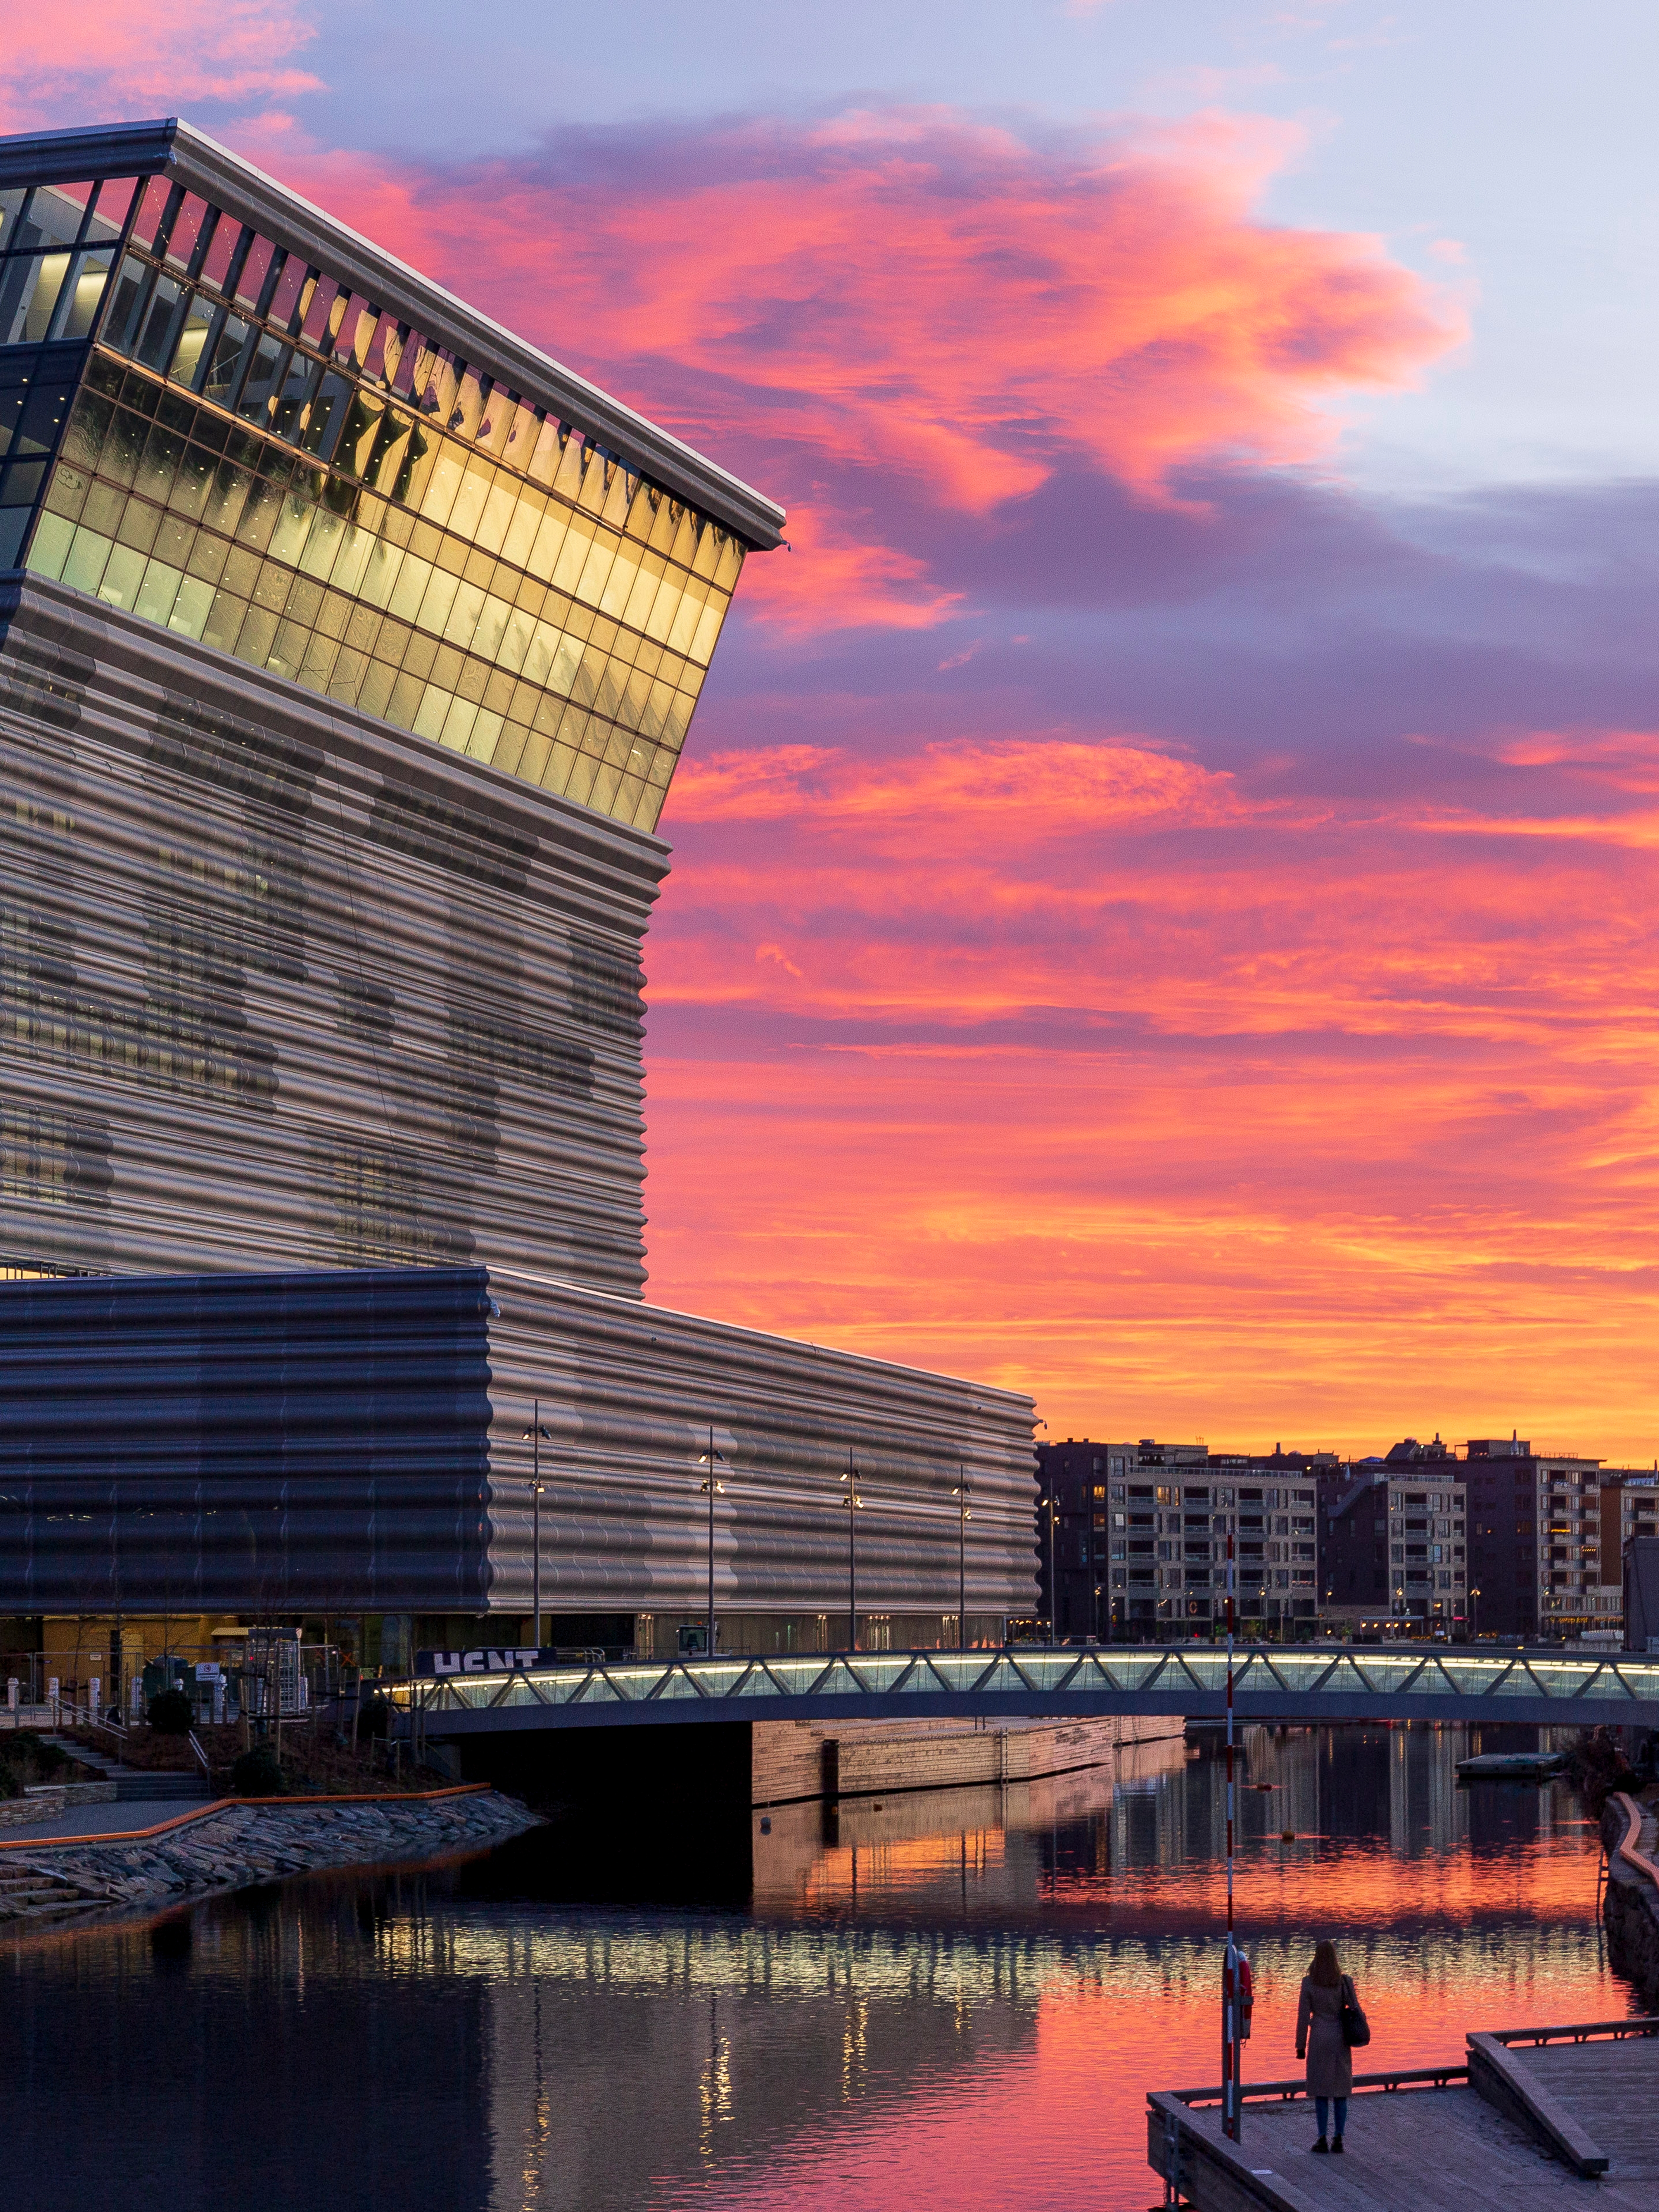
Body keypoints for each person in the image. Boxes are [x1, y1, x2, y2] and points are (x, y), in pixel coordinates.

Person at [1296, 1940, 1356, 2153]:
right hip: (1340, 2036)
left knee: (1320, 2090)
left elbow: (1303, 2016)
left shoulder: (1308, 1983)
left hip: (1319, 2037)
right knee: (1340, 2090)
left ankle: (1322, 2138)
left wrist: (1300, 2045)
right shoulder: (1344, 1982)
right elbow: (1355, 2008)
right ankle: (1338, 2138)